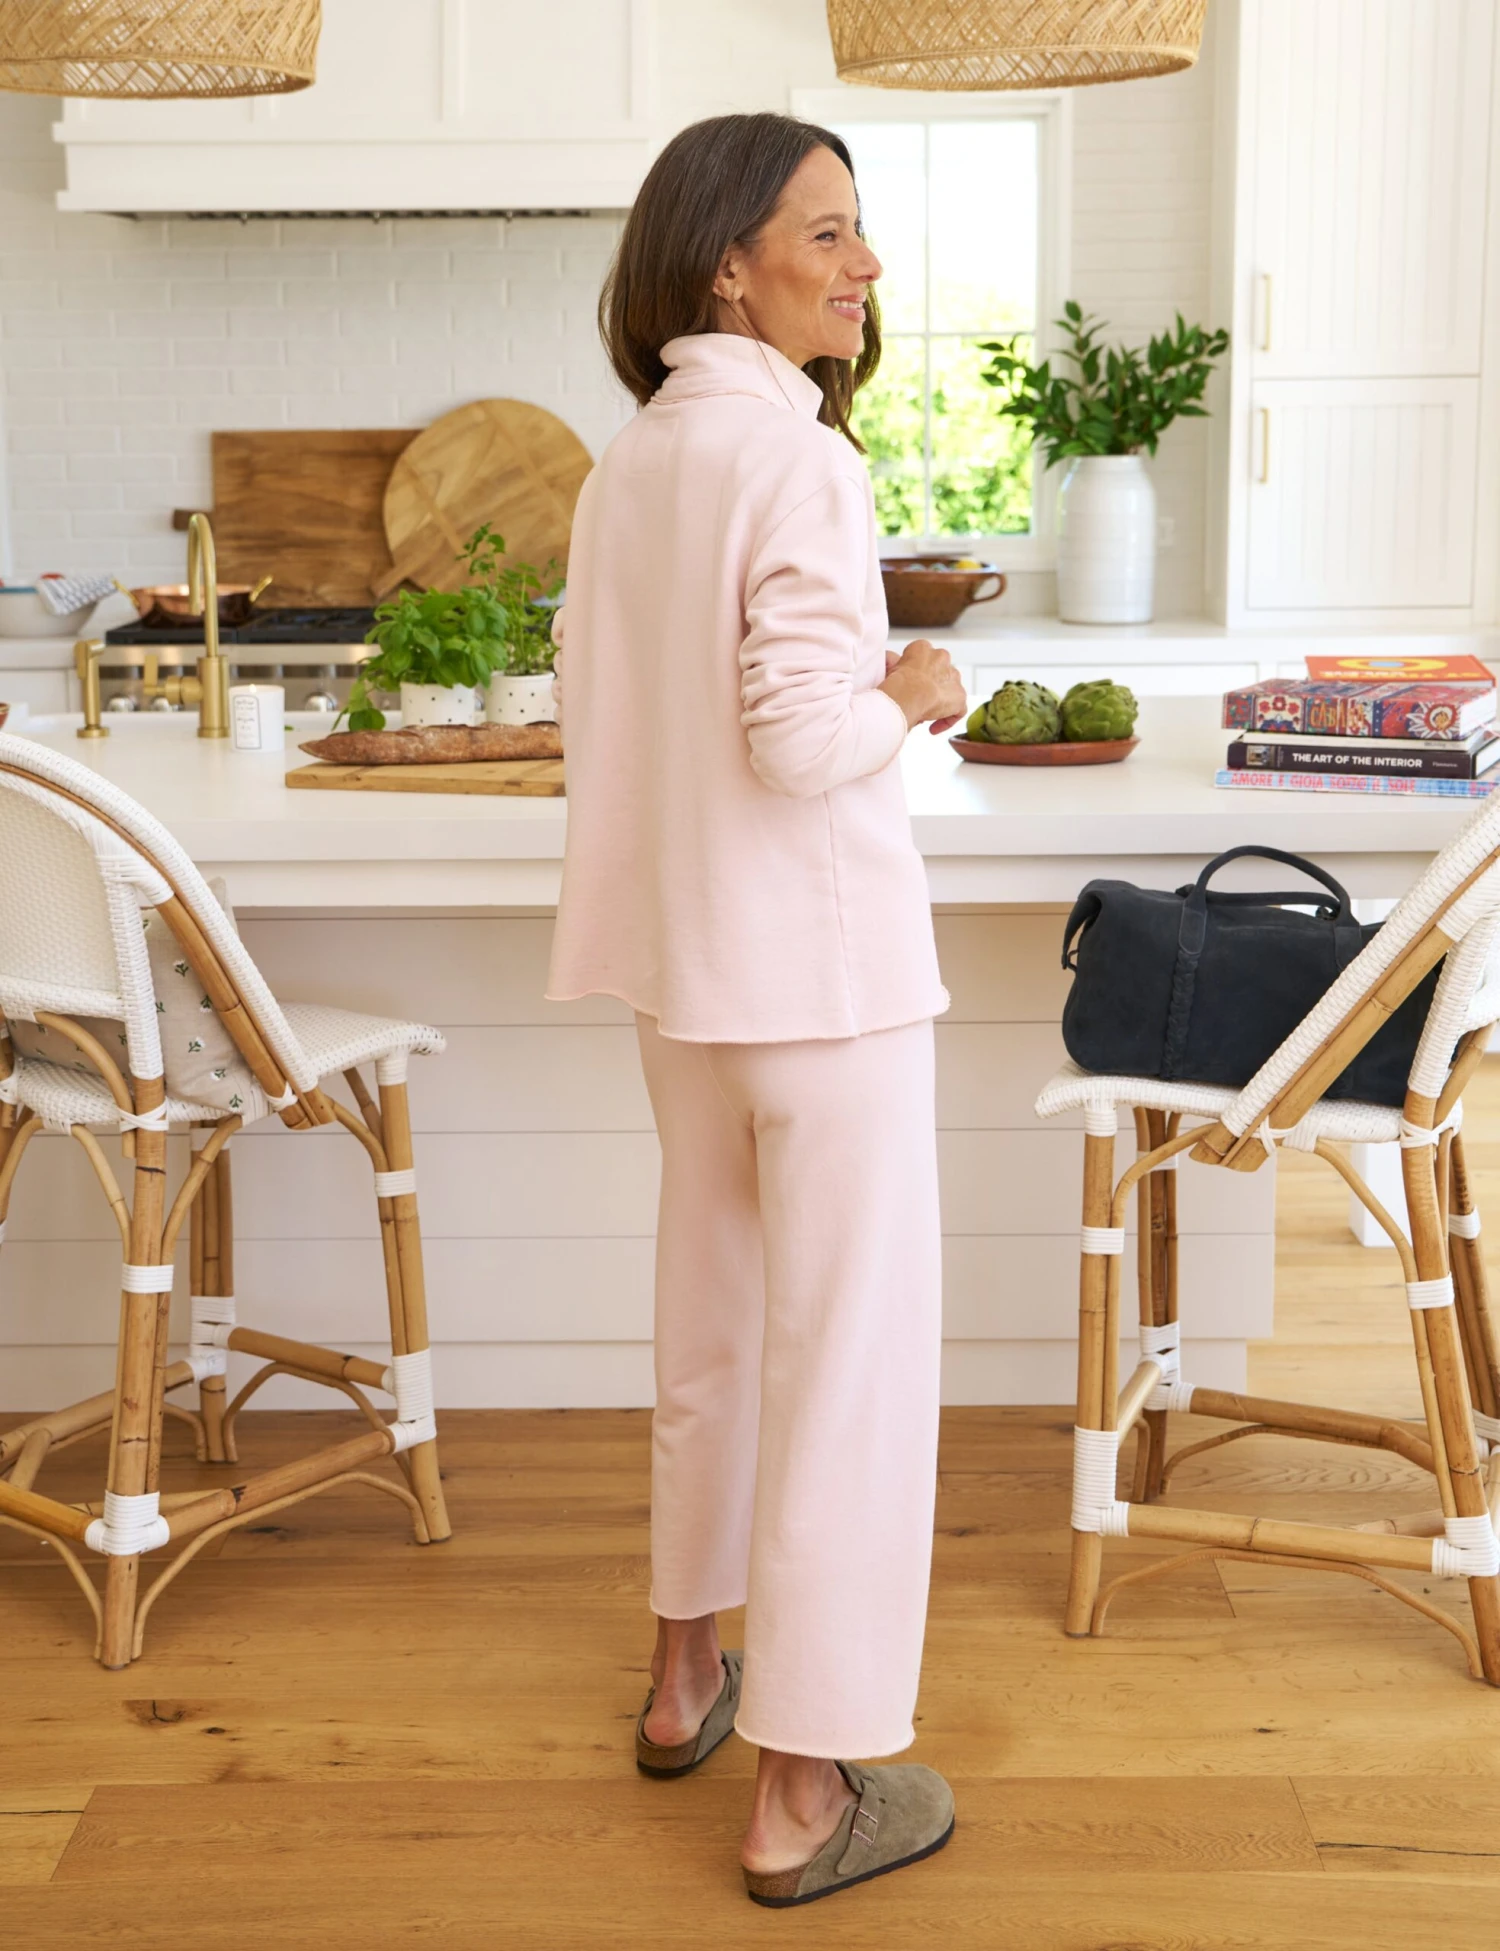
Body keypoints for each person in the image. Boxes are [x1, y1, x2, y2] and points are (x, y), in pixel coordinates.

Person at [546, 111, 966, 1908]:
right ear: (729, 263)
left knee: (709, 1322)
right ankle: (805, 1789)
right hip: (824, 981)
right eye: (828, 231)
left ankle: (684, 1676)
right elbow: (801, 737)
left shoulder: (631, 459)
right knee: (849, 1364)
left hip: (687, 980)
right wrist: (914, 688)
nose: (864, 265)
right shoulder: (795, 459)